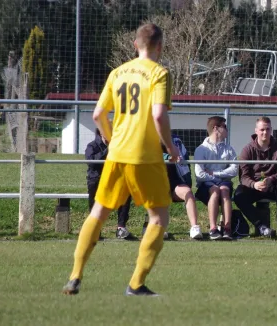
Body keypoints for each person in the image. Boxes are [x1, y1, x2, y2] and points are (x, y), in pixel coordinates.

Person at [62, 23, 180, 296]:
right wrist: (172, 148)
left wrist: (111, 138)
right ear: (160, 47)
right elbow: (159, 115)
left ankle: (75, 275)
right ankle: (136, 283)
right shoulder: (160, 73)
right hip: (145, 156)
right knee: (158, 218)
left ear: (133, 44)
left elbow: (97, 115)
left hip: (116, 155)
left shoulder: (118, 72)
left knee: (98, 213)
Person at [234, 116, 277, 238]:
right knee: (239, 194)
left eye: (268, 129)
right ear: (256, 131)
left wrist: (271, 180)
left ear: (271, 130)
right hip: (254, 187)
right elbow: (243, 177)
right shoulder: (247, 150)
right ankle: (261, 227)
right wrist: (254, 184)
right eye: (262, 129)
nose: (265, 132)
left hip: (272, 185)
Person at [194, 116, 238, 240]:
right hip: (205, 186)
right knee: (215, 191)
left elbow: (234, 170)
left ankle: (227, 228)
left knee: (224, 190)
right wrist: (213, 179)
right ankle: (213, 229)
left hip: (223, 183)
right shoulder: (201, 149)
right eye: (224, 127)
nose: (227, 130)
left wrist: (215, 174)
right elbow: (199, 174)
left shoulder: (229, 149)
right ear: (216, 128)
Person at [85, 128, 133, 240]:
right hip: (98, 180)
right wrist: (108, 150)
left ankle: (121, 229)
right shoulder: (92, 146)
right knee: (95, 190)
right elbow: (92, 163)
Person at [162, 134, 202, 240]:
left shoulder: (176, 140)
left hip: (176, 183)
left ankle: (194, 228)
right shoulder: (148, 139)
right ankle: (161, 229)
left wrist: (179, 157)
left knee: (188, 192)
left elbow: (184, 157)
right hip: (158, 182)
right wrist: (168, 157)